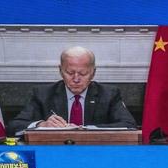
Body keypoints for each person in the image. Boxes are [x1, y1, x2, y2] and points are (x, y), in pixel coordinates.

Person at [9, 46, 137, 135]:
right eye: (70, 73)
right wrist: (42, 125)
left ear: (93, 73)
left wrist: (86, 129)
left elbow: (129, 125)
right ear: (60, 71)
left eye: (83, 73)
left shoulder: (109, 94)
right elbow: (13, 126)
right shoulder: (43, 94)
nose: (76, 79)